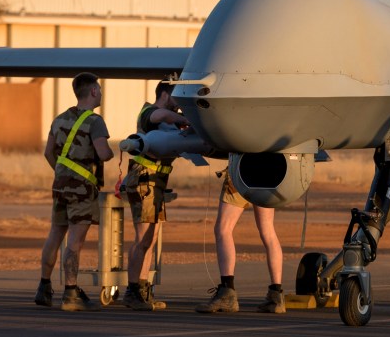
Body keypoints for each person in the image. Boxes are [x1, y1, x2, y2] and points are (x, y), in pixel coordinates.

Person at [36, 72, 114, 311]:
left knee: (55, 235)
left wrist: (62, 171)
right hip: (82, 190)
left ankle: (44, 286)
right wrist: (116, 151)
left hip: (60, 185)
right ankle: (71, 292)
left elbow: (49, 153)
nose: (100, 92)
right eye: (98, 89)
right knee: (75, 242)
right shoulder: (95, 121)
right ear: (92, 91)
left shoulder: (59, 119)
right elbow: (103, 154)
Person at [119, 80, 189, 311]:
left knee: (151, 237)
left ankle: (142, 288)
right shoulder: (150, 112)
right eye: (178, 96)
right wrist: (188, 119)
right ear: (166, 94)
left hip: (155, 181)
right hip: (145, 179)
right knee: (143, 238)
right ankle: (132, 291)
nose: (180, 103)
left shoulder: (168, 116)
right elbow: (161, 116)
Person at [195, 168, 285, 314]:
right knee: (268, 231)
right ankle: (276, 295)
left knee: (223, 229)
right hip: (269, 172)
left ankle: (227, 292)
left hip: (242, 170)